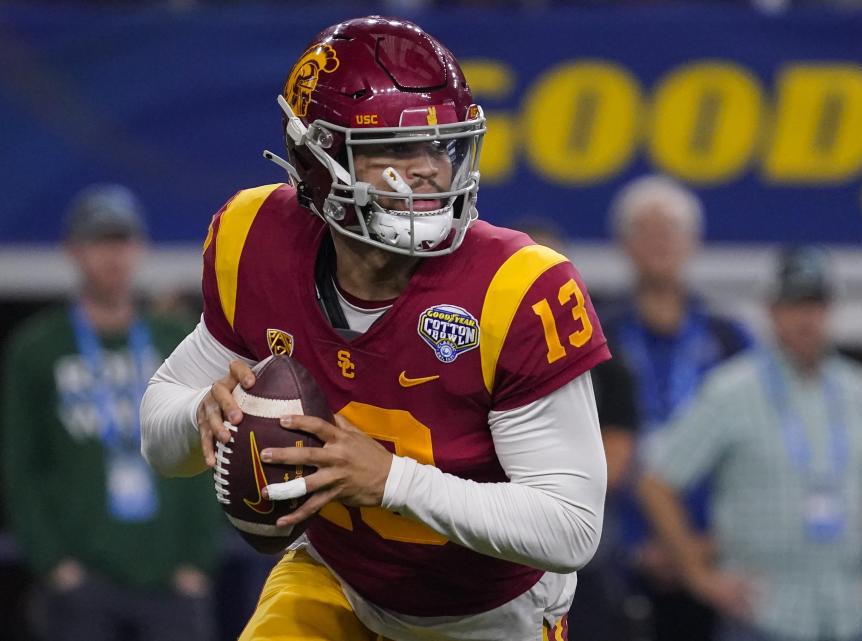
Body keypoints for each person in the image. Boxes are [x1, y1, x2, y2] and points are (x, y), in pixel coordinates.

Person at [139, 16, 610, 641]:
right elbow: (159, 442)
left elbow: (571, 526)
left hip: (487, 613)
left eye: (439, 146)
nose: (424, 172)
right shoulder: (256, 237)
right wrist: (205, 409)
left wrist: (391, 480)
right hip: (337, 578)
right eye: (389, 149)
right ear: (315, 161)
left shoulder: (519, 288)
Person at [638, 245, 862, 641]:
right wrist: (700, 577)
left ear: (830, 310)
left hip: (851, 611)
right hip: (763, 613)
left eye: (815, 305)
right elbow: (657, 483)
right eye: (794, 305)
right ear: (771, 311)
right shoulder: (731, 390)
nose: (806, 319)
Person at [1, 184, 222, 641]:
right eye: (99, 241)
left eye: (121, 241)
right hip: (81, 581)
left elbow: (213, 446)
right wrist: (53, 564)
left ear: (139, 248)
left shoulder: (176, 339)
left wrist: (199, 559)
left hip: (173, 580)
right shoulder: (36, 350)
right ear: (73, 250)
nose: (112, 255)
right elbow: (20, 464)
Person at [603, 175, 752, 641]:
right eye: (646, 231)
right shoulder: (594, 335)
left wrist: (700, 545)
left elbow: (754, 449)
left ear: (693, 242)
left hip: (716, 553)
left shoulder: (730, 338)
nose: (659, 243)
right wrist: (632, 547)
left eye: (670, 231)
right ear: (624, 245)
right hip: (618, 555)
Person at [514, 216, 639, 641]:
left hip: (574, 525)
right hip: (502, 525)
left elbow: (618, 450)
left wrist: (566, 489)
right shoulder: (476, 344)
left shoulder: (597, 348)